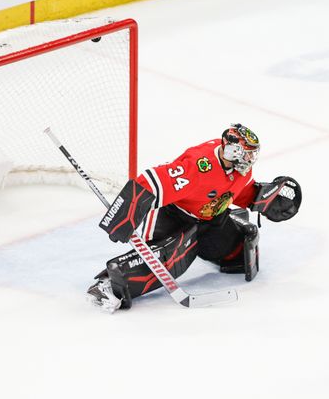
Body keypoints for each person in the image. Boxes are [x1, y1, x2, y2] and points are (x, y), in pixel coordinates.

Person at [87, 123, 302, 312]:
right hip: (176, 217)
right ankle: (110, 285)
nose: (250, 159)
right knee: (167, 260)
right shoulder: (199, 166)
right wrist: (123, 214)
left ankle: (213, 244)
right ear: (233, 151)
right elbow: (153, 182)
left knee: (238, 248)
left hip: (213, 219)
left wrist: (261, 200)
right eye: (247, 154)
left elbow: (236, 191)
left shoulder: (240, 169)